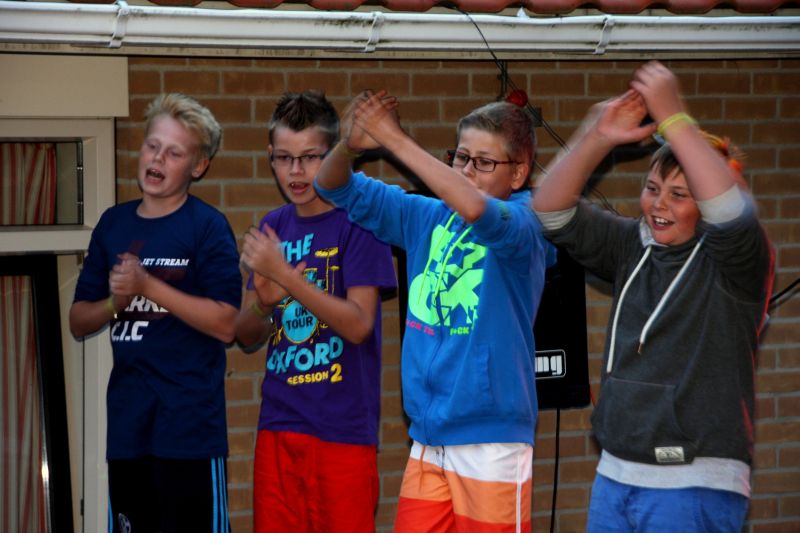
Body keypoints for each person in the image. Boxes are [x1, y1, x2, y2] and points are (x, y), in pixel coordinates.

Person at [532, 61, 774, 532]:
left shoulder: (737, 262)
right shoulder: (633, 244)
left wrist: (674, 117)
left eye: (680, 194)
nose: (659, 204)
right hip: (616, 474)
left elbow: (729, 211)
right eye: (652, 188)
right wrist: (596, 136)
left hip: (695, 482)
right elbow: (550, 210)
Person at [315, 91, 555, 533]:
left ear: (519, 173)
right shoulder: (426, 216)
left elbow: (477, 208)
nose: (467, 170)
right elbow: (330, 185)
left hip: (491, 439)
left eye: (484, 162)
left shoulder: (526, 224)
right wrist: (349, 146)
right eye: (461, 157)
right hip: (428, 436)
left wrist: (393, 139)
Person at [69, 93, 241, 533]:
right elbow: (78, 320)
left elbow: (227, 324)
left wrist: (148, 286)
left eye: (174, 152)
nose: (157, 158)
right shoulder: (113, 224)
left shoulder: (207, 226)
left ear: (198, 166)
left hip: (189, 433)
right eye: (152, 145)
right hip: (128, 430)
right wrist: (115, 304)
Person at [234, 91, 396, 533]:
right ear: (269, 156)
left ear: (333, 154)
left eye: (309, 157)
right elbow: (246, 334)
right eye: (284, 158)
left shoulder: (359, 220)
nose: (296, 171)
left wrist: (287, 279)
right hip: (278, 425)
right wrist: (265, 301)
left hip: (342, 431)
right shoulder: (274, 225)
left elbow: (359, 325)